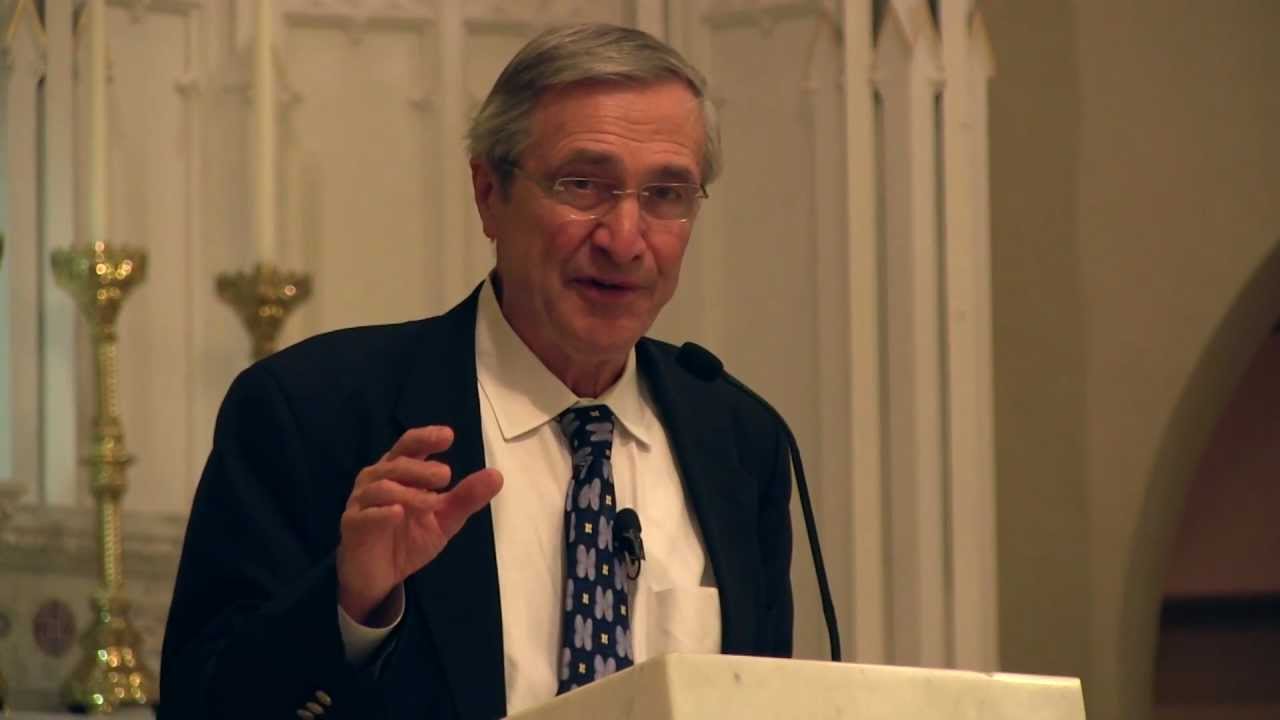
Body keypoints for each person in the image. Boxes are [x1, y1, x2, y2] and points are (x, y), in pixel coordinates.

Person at [160, 23, 792, 720]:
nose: (624, 240)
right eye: (583, 185)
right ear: (490, 193)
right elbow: (201, 704)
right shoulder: (309, 412)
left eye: (666, 194)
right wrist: (350, 603)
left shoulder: (740, 439)